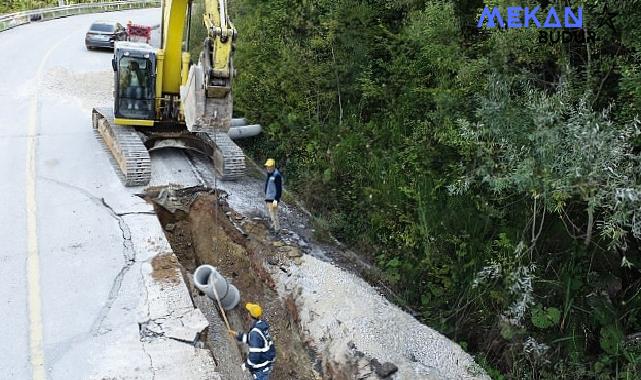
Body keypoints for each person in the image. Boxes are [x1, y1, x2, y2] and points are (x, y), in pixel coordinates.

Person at [229, 303, 276, 380]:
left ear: (249, 315)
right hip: (267, 362)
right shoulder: (261, 325)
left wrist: (246, 365)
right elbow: (254, 340)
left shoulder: (255, 332)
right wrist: (239, 336)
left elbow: (255, 356)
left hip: (261, 367)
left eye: (248, 312)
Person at [263, 158, 282, 233]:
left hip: (273, 199)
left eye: (269, 166)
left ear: (273, 166)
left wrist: (276, 199)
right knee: (270, 212)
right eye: (267, 166)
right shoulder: (270, 174)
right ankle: (273, 226)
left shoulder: (277, 176)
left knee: (274, 213)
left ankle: (277, 229)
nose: (267, 168)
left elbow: (279, 189)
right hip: (268, 198)